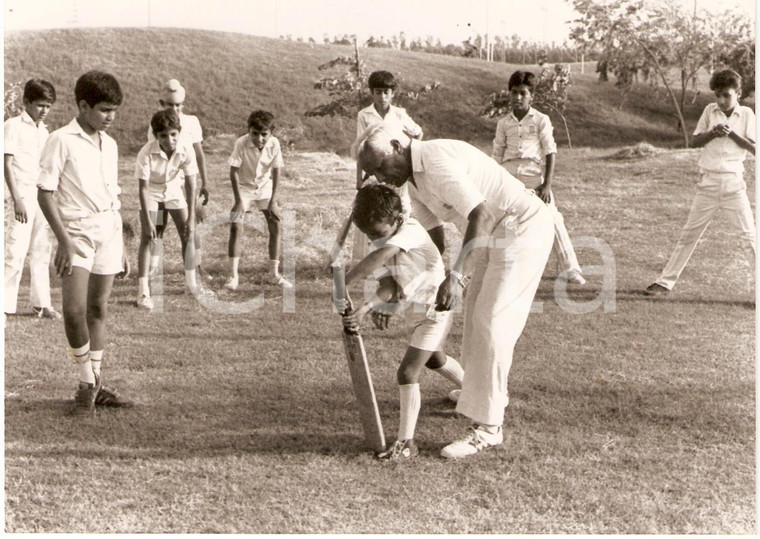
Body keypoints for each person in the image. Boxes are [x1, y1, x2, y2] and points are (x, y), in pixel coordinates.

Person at [355, 125, 554, 459]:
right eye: (371, 173)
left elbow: (482, 213)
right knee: (477, 320)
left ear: (396, 146)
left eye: (379, 167)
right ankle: (478, 394)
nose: (379, 177)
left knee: (493, 323)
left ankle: (489, 429)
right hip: (492, 234)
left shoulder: (435, 159)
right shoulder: (411, 183)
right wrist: (414, 282)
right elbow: (435, 241)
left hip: (522, 226)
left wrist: (458, 276)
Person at [341, 184, 464, 461]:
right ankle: (472, 393)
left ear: (396, 220)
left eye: (377, 233)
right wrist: (366, 308)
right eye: (369, 235)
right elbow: (388, 285)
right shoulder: (383, 239)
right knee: (434, 359)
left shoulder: (411, 230)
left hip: (437, 309)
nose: (374, 239)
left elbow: (379, 258)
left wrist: (344, 281)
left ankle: (406, 443)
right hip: (415, 311)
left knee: (407, 373)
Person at [37, 70, 133, 415]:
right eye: (105, 109)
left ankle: (96, 383)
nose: (111, 117)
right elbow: (45, 194)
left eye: (114, 110)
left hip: (107, 229)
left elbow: (113, 195)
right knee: (73, 310)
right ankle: (85, 383)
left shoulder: (110, 143)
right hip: (75, 232)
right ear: (82, 105)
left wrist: (120, 242)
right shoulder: (60, 139)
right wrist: (62, 241)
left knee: (98, 309)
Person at [645, 69, 756, 295]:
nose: (721, 101)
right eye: (718, 95)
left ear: (739, 93)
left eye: (727, 95)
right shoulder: (709, 111)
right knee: (689, 234)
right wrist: (713, 133)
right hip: (708, 184)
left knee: (749, 239)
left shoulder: (747, 114)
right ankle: (665, 282)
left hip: (734, 185)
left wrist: (731, 134)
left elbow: (754, 148)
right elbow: (694, 142)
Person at [492, 70, 585, 285]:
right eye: (514, 93)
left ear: (531, 96)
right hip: (507, 174)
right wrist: (493, 184)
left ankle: (571, 268)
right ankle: (483, 267)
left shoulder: (541, 120)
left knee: (552, 217)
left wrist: (546, 184)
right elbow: (497, 154)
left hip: (533, 174)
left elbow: (550, 151)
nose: (518, 98)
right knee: (494, 217)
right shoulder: (503, 123)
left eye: (523, 93)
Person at [352, 70, 423, 264]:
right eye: (377, 92)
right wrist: (359, 178)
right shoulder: (364, 115)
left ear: (392, 93)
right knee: (375, 210)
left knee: (403, 207)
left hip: (397, 170)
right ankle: (373, 256)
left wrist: (410, 158)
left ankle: (402, 254)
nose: (382, 96)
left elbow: (418, 132)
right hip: (378, 171)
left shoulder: (399, 114)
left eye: (386, 92)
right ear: (371, 93)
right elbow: (361, 147)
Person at [4, 79, 61, 319]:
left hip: (41, 194)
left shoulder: (44, 130)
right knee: (15, 249)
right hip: (21, 194)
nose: (44, 110)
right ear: (26, 102)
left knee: (41, 247)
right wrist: (17, 199)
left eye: (48, 105)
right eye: (39, 105)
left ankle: (41, 303)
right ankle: (4, 305)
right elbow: (6, 164)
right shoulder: (12, 126)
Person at [135, 109, 200, 310]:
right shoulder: (146, 152)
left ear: (179, 133)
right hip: (152, 191)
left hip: (173, 188)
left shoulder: (186, 148)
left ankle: (192, 284)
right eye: (163, 136)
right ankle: (143, 291)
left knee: (188, 234)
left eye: (173, 134)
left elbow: (190, 184)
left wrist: (191, 217)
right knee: (148, 237)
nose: (169, 140)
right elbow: (143, 188)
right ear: (155, 136)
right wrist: (146, 221)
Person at [148, 79, 210, 283]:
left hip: (186, 181)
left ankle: (195, 268)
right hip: (163, 182)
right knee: (159, 224)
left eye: (178, 105)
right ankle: (153, 266)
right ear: (161, 103)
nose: (174, 109)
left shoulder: (191, 122)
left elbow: (199, 154)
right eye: (169, 105)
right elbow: (153, 155)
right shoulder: (156, 124)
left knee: (189, 225)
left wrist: (205, 182)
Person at [224, 110, 292, 290]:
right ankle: (233, 276)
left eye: (264, 134)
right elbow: (233, 172)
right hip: (244, 187)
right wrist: (239, 201)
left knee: (276, 223)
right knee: (236, 224)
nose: (259, 139)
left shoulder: (274, 144)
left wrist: (273, 201)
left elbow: (277, 172)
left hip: (264, 187)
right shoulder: (241, 143)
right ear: (249, 130)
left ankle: (274, 274)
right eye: (255, 133)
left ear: (271, 133)